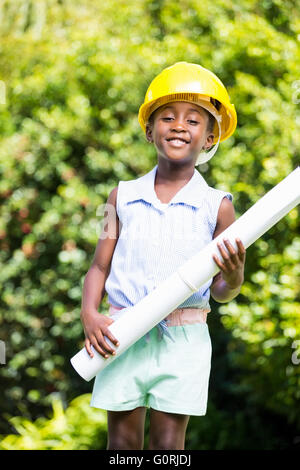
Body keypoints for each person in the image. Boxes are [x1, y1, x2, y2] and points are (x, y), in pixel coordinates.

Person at [80, 62, 246, 450]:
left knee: (169, 447)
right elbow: (98, 266)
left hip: (185, 338)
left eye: (193, 120)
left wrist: (234, 277)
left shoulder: (218, 206)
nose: (178, 126)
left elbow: (222, 291)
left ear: (209, 138)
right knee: (121, 446)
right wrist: (90, 313)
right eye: (167, 116)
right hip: (122, 333)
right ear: (149, 129)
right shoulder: (117, 198)